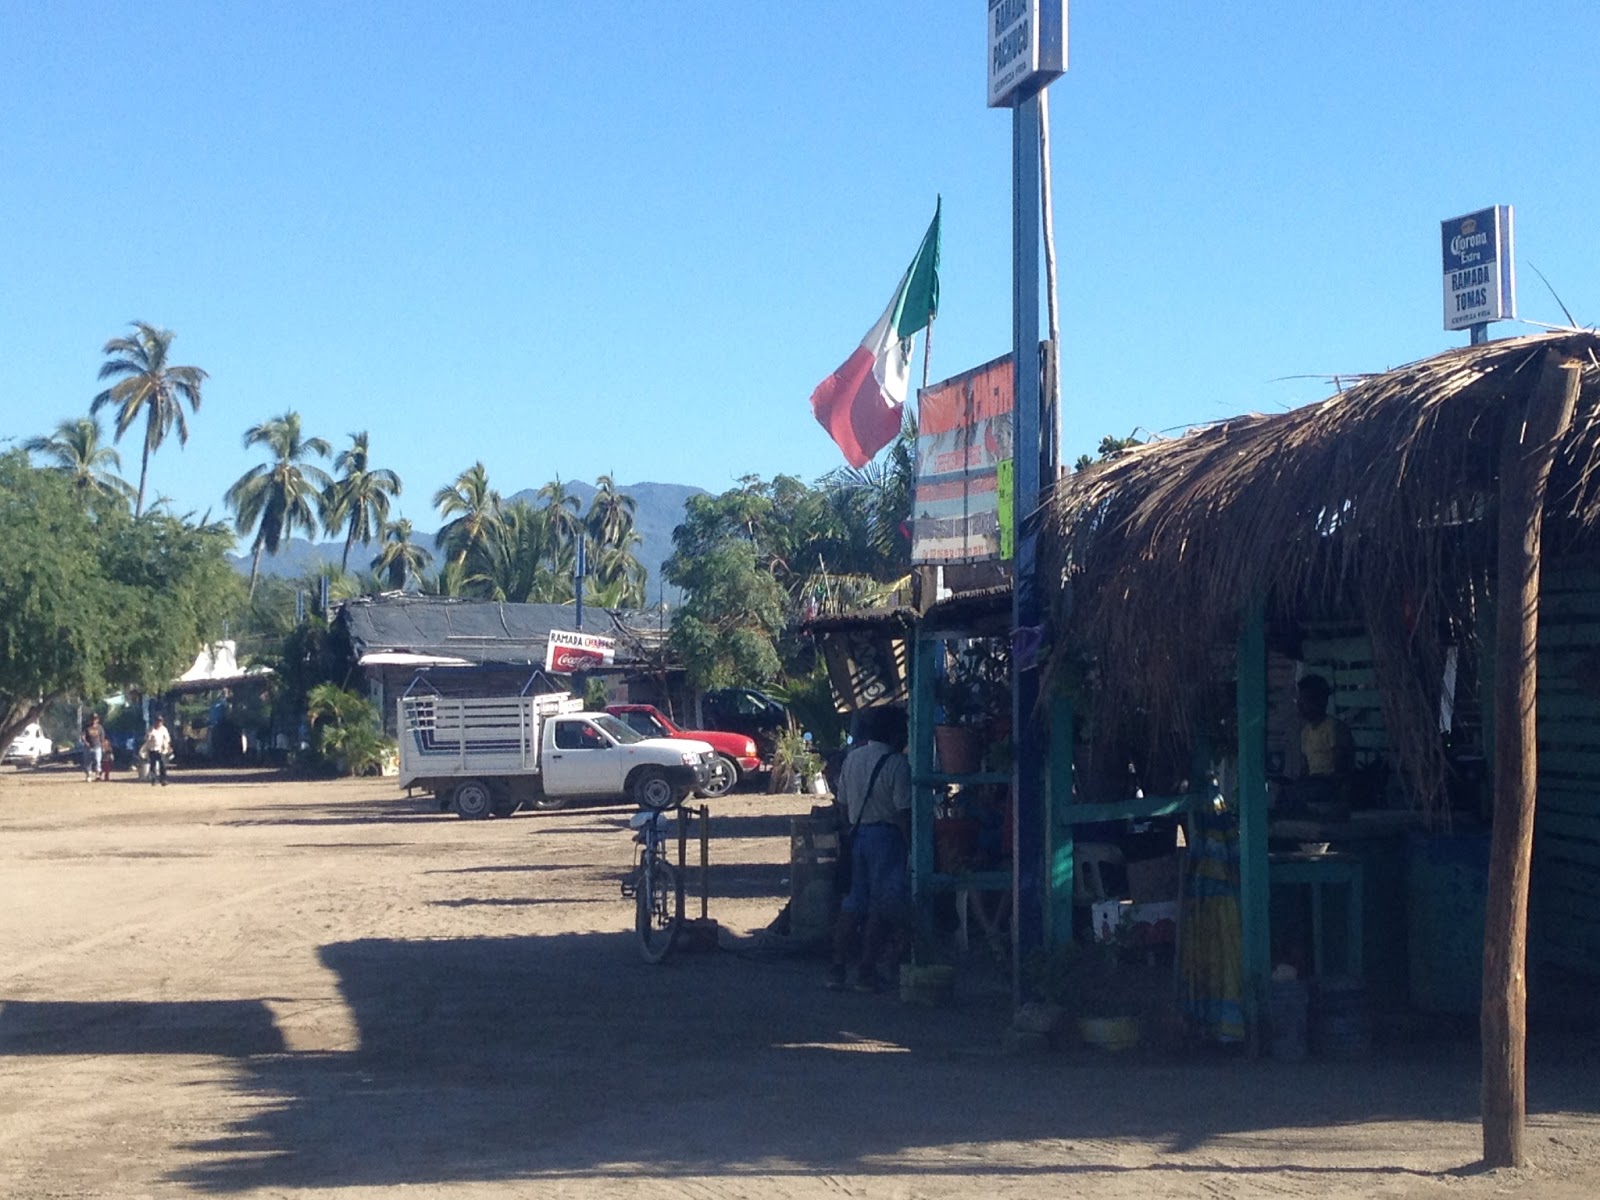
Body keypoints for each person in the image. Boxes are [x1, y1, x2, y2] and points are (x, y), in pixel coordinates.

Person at [826, 705, 912, 993]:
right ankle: (866, 970)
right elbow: (903, 813)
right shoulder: (897, 764)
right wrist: (913, 846)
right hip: (886, 840)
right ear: (895, 732)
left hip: (857, 836)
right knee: (881, 907)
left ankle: (837, 968)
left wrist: (849, 830)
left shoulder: (853, 759)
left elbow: (843, 803)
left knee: (852, 903)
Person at [1291, 674, 1353, 814]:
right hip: (1313, 783)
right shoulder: (1305, 732)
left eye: (1304, 701)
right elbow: (1306, 767)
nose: (1300, 706)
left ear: (1320, 701)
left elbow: (1341, 766)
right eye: (1298, 701)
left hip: (1330, 785)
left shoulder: (1334, 728)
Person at [140, 716, 173, 786]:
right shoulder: (151, 729)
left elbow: (168, 739)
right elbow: (146, 739)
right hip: (152, 749)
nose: (159, 723)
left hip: (161, 750)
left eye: (160, 721)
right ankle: (154, 780)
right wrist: (149, 736)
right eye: (158, 721)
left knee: (163, 765)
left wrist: (166, 746)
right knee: (153, 765)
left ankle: (163, 780)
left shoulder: (164, 729)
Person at [82, 714, 105, 781]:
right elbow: (83, 736)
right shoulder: (86, 727)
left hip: (97, 746)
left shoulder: (100, 728)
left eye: (95, 719)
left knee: (98, 761)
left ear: (97, 720)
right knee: (88, 762)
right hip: (88, 747)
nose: (93, 720)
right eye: (92, 719)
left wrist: (102, 746)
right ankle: (88, 775)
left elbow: (102, 737)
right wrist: (86, 742)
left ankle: (97, 775)